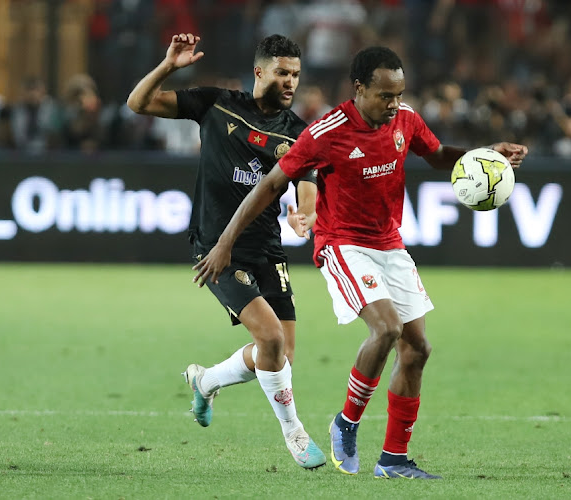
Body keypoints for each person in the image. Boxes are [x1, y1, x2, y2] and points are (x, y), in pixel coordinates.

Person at [192, 46, 528, 479]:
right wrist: (225, 242)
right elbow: (271, 185)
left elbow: (438, 153)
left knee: (417, 349)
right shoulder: (325, 132)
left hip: (390, 244)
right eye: (385, 96)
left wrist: (486, 154)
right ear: (359, 89)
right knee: (386, 328)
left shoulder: (404, 119)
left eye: (399, 95)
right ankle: (345, 423)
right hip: (343, 244)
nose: (394, 105)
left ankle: (392, 459)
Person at [126, 33, 326, 470]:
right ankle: (295, 433)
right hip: (218, 248)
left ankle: (205, 380)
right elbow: (138, 103)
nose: (291, 81)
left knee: (281, 358)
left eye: (295, 74)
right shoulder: (215, 105)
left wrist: (304, 215)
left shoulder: (299, 133)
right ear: (259, 72)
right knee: (270, 339)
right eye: (282, 72)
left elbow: (308, 188)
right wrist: (167, 67)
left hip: (267, 248)